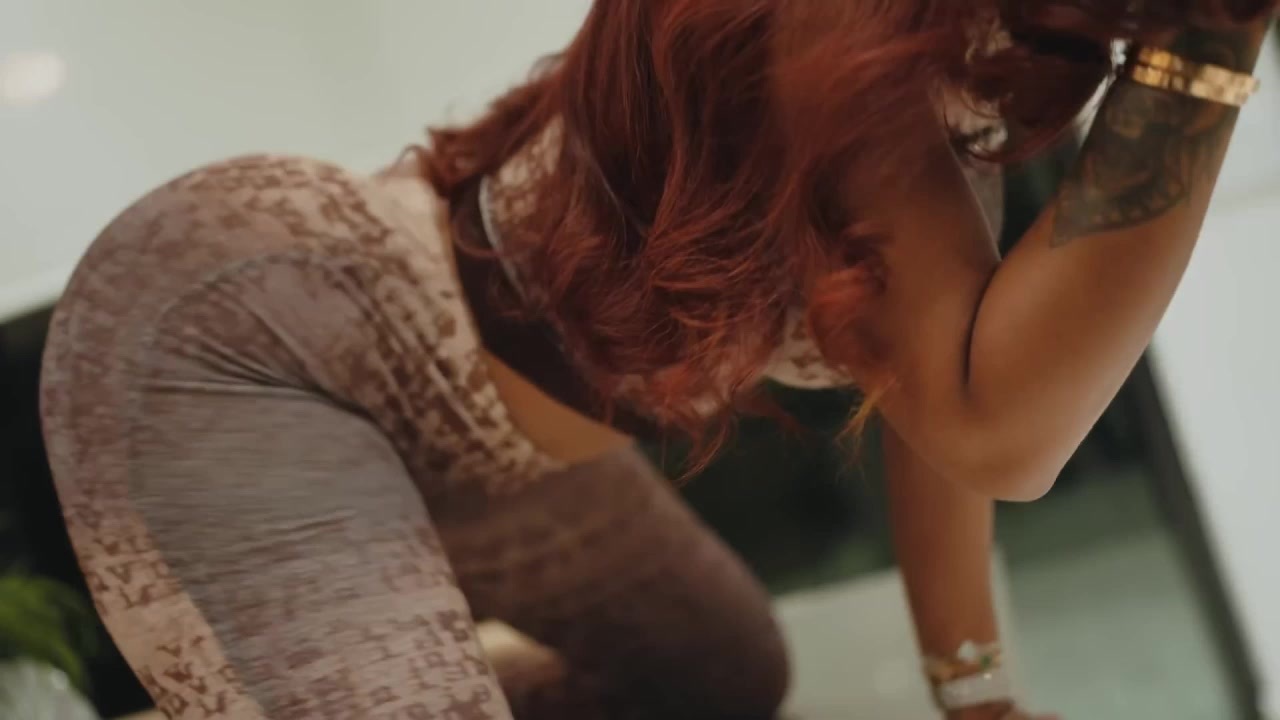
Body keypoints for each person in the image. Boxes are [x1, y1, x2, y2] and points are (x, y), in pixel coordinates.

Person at [40, 2, 1272, 719]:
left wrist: (974, 694)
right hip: (263, 342)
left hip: (499, 460)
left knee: (719, 674)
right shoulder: (841, 24)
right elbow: (998, 430)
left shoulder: (980, 60)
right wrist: (1209, 47)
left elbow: (933, 403)